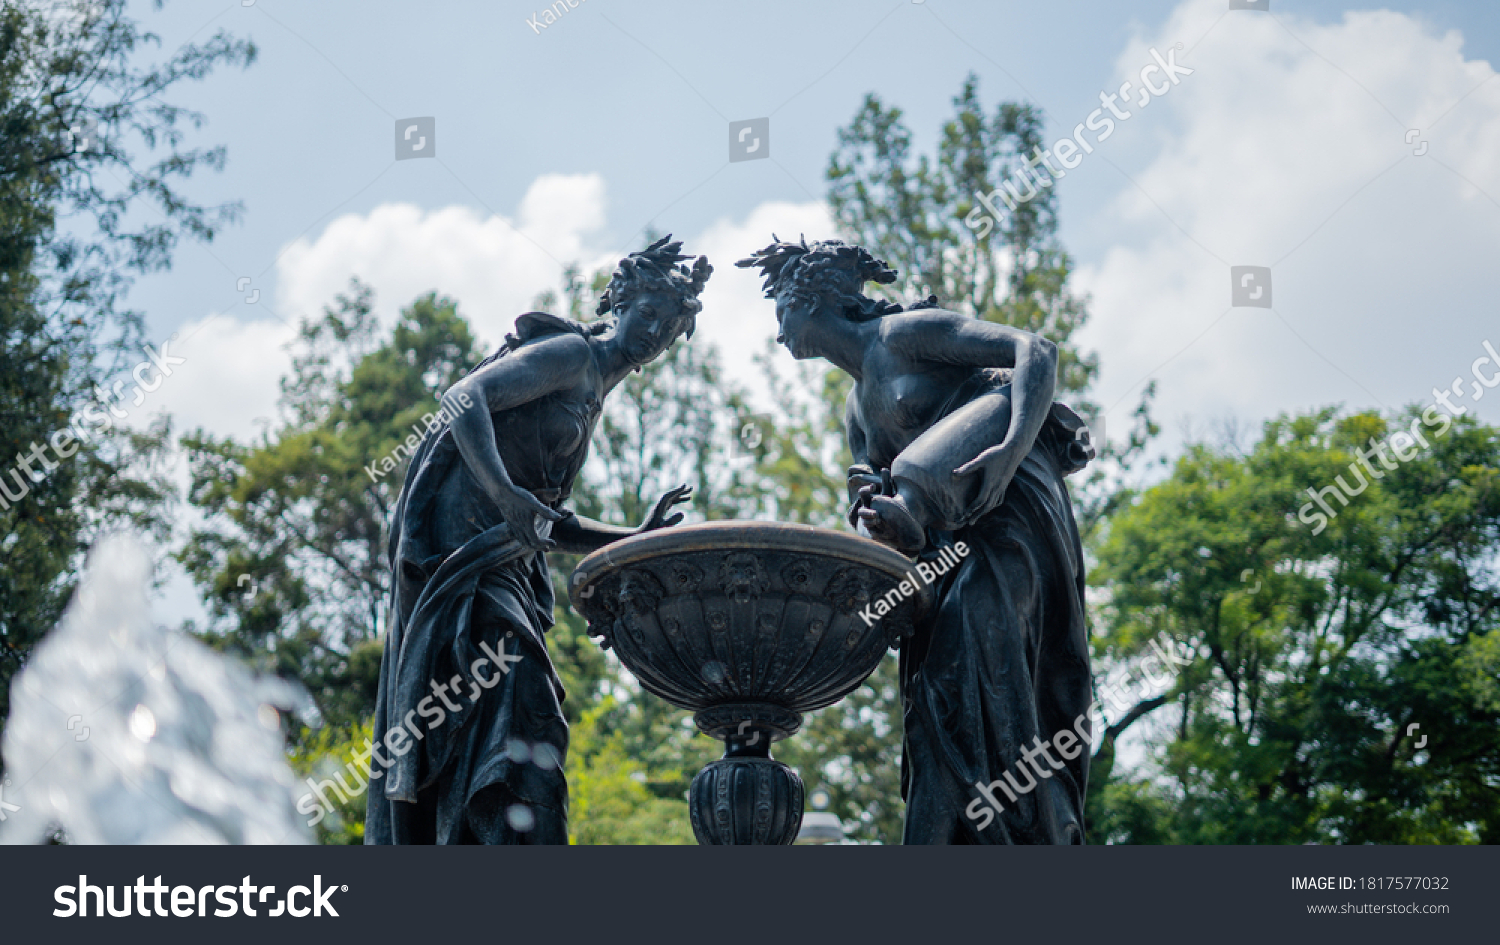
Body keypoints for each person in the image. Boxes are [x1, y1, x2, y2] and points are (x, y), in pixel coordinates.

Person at [737, 237, 1095, 844]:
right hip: (941, 553)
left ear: (809, 297)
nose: (779, 335)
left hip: (1009, 515)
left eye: (781, 315)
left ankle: (1028, 827)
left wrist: (1009, 450)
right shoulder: (856, 413)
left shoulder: (904, 336)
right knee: (935, 695)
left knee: (984, 655)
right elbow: (867, 508)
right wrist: (869, 521)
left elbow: (1035, 349)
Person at [366, 237, 708, 844]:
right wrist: (501, 491)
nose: (654, 332)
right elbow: (465, 398)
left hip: (504, 561)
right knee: (515, 700)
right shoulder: (572, 354)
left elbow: (543, 521)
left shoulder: (597, 390)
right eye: (647, 312)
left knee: (520, 716)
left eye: (669, 323)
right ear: (620, 301)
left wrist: (634, 538)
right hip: (462, 559)